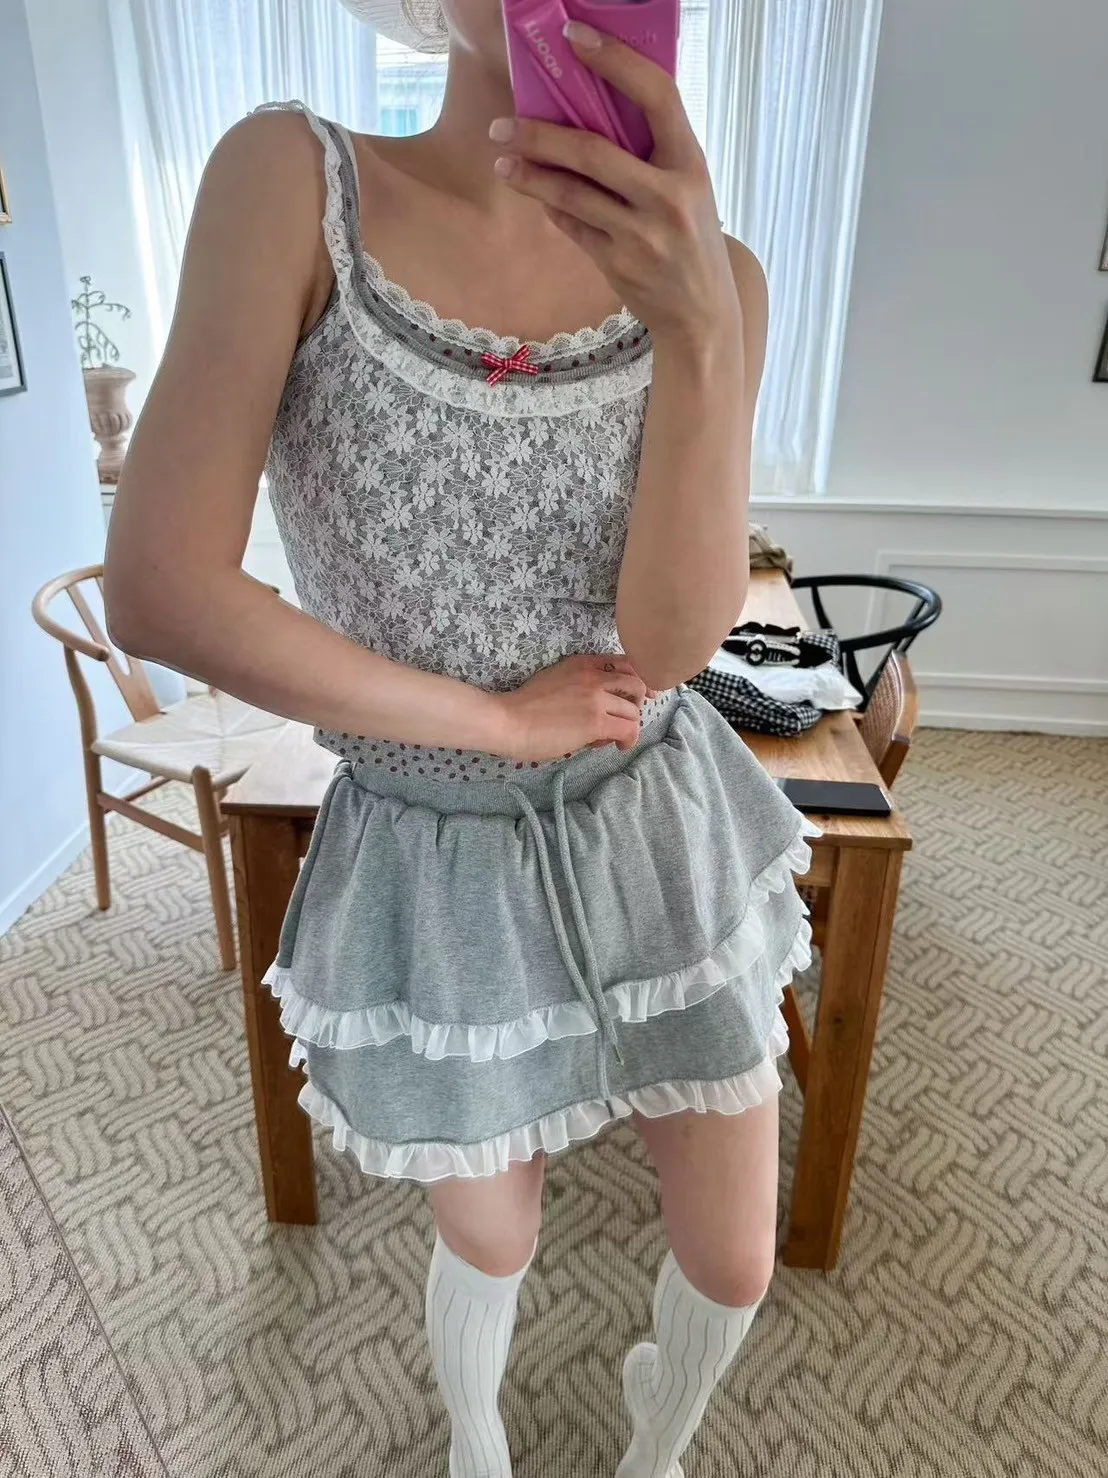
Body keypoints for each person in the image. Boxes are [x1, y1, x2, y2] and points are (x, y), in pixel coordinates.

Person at [104, 1, 818, 1472]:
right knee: (490, 1232)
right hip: (437, 848)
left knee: (736, 1255)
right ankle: (475, 1440)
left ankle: (657, 1444)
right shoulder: (295, 183)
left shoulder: (719, 273)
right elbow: (162, 586)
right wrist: (492, 721)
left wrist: (698, 327)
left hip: (655, 820)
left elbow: (672, 644)